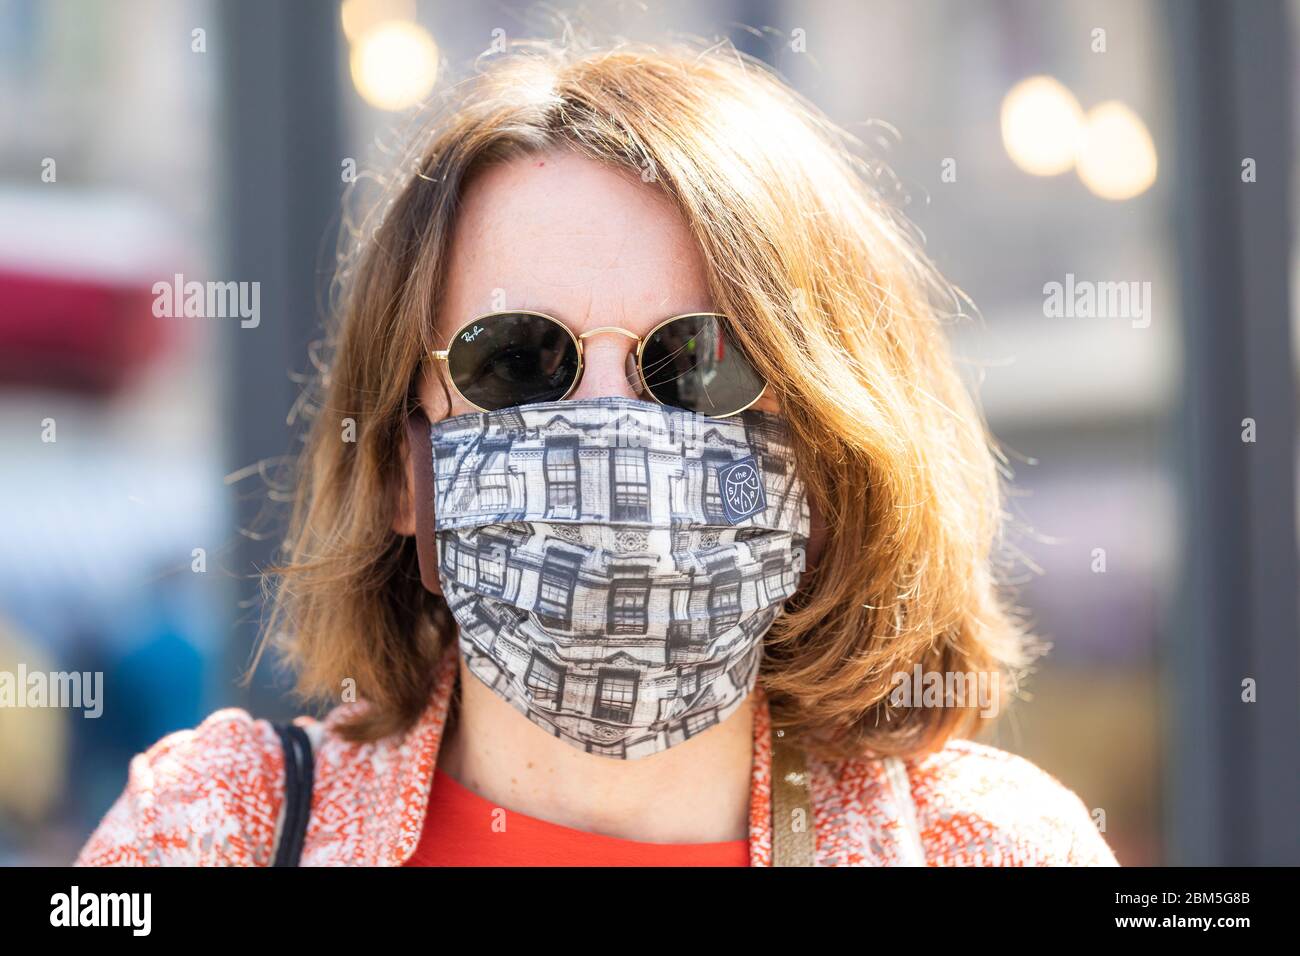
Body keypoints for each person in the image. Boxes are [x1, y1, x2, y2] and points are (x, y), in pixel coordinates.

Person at [75, 38, 1118, 867]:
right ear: (406, 466)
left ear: (825, 436)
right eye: (518, 361)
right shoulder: (217, 832)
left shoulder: (992, 849)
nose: (616, 420)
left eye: (698, 362)